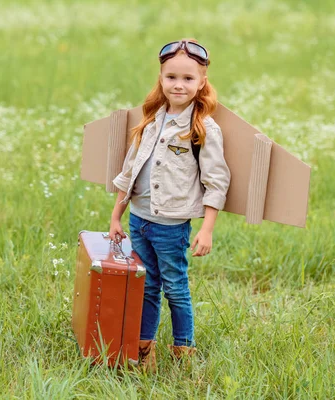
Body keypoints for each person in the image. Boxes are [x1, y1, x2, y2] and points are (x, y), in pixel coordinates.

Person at [109, 39, 230, 372]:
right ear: (161, 78)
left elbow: (216, 182)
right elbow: (129, 172)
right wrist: (116, 216)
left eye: (188, 79)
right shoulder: (150, 120)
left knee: (175, 287)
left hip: (171, 226)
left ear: (202, 82)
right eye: (171, 77)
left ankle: (183, 350)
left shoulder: (202, 129)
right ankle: (144, 346)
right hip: (139, 220)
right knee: (146, 285)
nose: (179, 84)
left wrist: (206, 229)